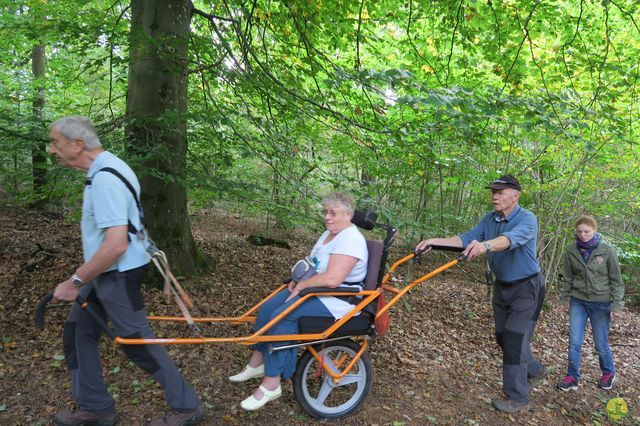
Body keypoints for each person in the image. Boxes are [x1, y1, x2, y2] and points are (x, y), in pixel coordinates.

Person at [48, 116, 204, 426]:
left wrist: (76, 280)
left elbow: (116, 244)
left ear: (77, 145)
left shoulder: (105, 178)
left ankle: (187, 406)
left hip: (117, 275)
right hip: (106, 273)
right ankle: (95, 407)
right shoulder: (107, 167)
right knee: (78, 331)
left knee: (136, 343)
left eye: (56, 142)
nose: (52, 150)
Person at [415, 174, 548, 413]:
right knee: (502, 336)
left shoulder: (527, 219)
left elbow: (509, 240)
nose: (495, 196)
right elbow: (466, 238)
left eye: (500, 192)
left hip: (527, 286)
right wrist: (434, 241)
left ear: (515, 196)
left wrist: (485, 246)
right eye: (493, 192)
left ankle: (517, 398)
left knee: (515, 336)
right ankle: (535, 369)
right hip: (503, 286)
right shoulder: (490, 219)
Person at [229, 192, 368, 411]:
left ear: (348, 214)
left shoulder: (351, 238)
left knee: (283, 316)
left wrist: (303, 286)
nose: (327, 217)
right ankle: (257, 363)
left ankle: (272, 382)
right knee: (268, 309)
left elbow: (333, 279)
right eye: (325, 212)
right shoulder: (329, 234)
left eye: (333, 213)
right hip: (315, 289)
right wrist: (297, 281)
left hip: (336, 299)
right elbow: (316, 264)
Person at [556, 215, 624, 391]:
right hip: (578, 301)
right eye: (579, 232)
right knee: (574, 342)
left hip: (601, 302)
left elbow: (616, 280)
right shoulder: (571, 250)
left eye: (586, 231)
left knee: (601, 343)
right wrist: (564, 299)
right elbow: (568, 278)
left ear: (594, 231)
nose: (582, 235)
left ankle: (608, 373)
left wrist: (617, 304)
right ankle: (572, 376)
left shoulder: (607, 250)